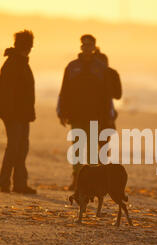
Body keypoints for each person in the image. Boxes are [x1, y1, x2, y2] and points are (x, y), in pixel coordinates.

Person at [57, 34, 111, 190]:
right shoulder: (72, 66)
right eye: (84, 44)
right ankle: (77, 179)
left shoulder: (100, 68)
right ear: (81, 47)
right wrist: (62, 113)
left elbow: (107, 95)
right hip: (76, 115)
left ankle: (92, 182)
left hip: (95, 115)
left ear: (94, 47)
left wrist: (108, 117)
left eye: (89, 45)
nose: (86, 47)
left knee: (93, 151)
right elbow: (64, 90)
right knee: (77, 149)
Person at [0, 30, 36, 194]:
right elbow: (7, 92)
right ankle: (5, 183)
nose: (30, 48)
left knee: (22, 147)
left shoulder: (20, 62)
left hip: (21, 113)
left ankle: (19, 183)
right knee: (14, 147)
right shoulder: (13, 63)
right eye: (29, 45)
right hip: (13, 114)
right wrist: (9, 114)